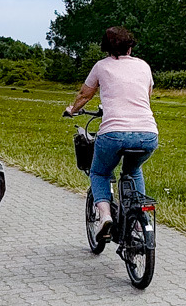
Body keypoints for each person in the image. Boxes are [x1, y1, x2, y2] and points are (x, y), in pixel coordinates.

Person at [65, 27, 157, 241]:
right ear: (130, 46)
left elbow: (84, 95)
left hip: (114, 133)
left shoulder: (101, 66)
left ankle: (105, 216)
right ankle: (138, 222)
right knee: (134, 170)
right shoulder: (143, 66)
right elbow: (147, 94)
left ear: (105, 48)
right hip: (148, 133)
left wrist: (72, 109)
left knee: (99, 173)